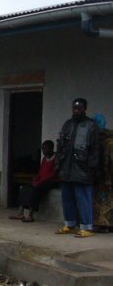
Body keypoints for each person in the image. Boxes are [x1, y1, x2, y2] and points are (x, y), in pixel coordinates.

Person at [55, 98, 100, 238]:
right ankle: (69, 224)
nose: (76, 111)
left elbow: (95, 150)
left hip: (82, 169)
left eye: (79, 108)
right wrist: (58, 164)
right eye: (74, 108)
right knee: (67, 198)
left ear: (84, 109)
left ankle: (86, 227)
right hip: (66, 168)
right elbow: (60, 146)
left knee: (83, 198)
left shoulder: (91, 126)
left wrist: (91, 168)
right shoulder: (68, 124)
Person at [10, 140, 58, 222]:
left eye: (44, 149)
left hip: (51, 181)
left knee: (36, 190)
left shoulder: (56, 158)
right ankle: (20, 212)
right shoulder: (44, 159)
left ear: (51, 149)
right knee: (25, 188)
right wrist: (36, 178)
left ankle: (30, 215)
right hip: (41, 181)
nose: (43, 151)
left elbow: (53, 174)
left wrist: (39, 181)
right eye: (42, 149)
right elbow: (41, 172)